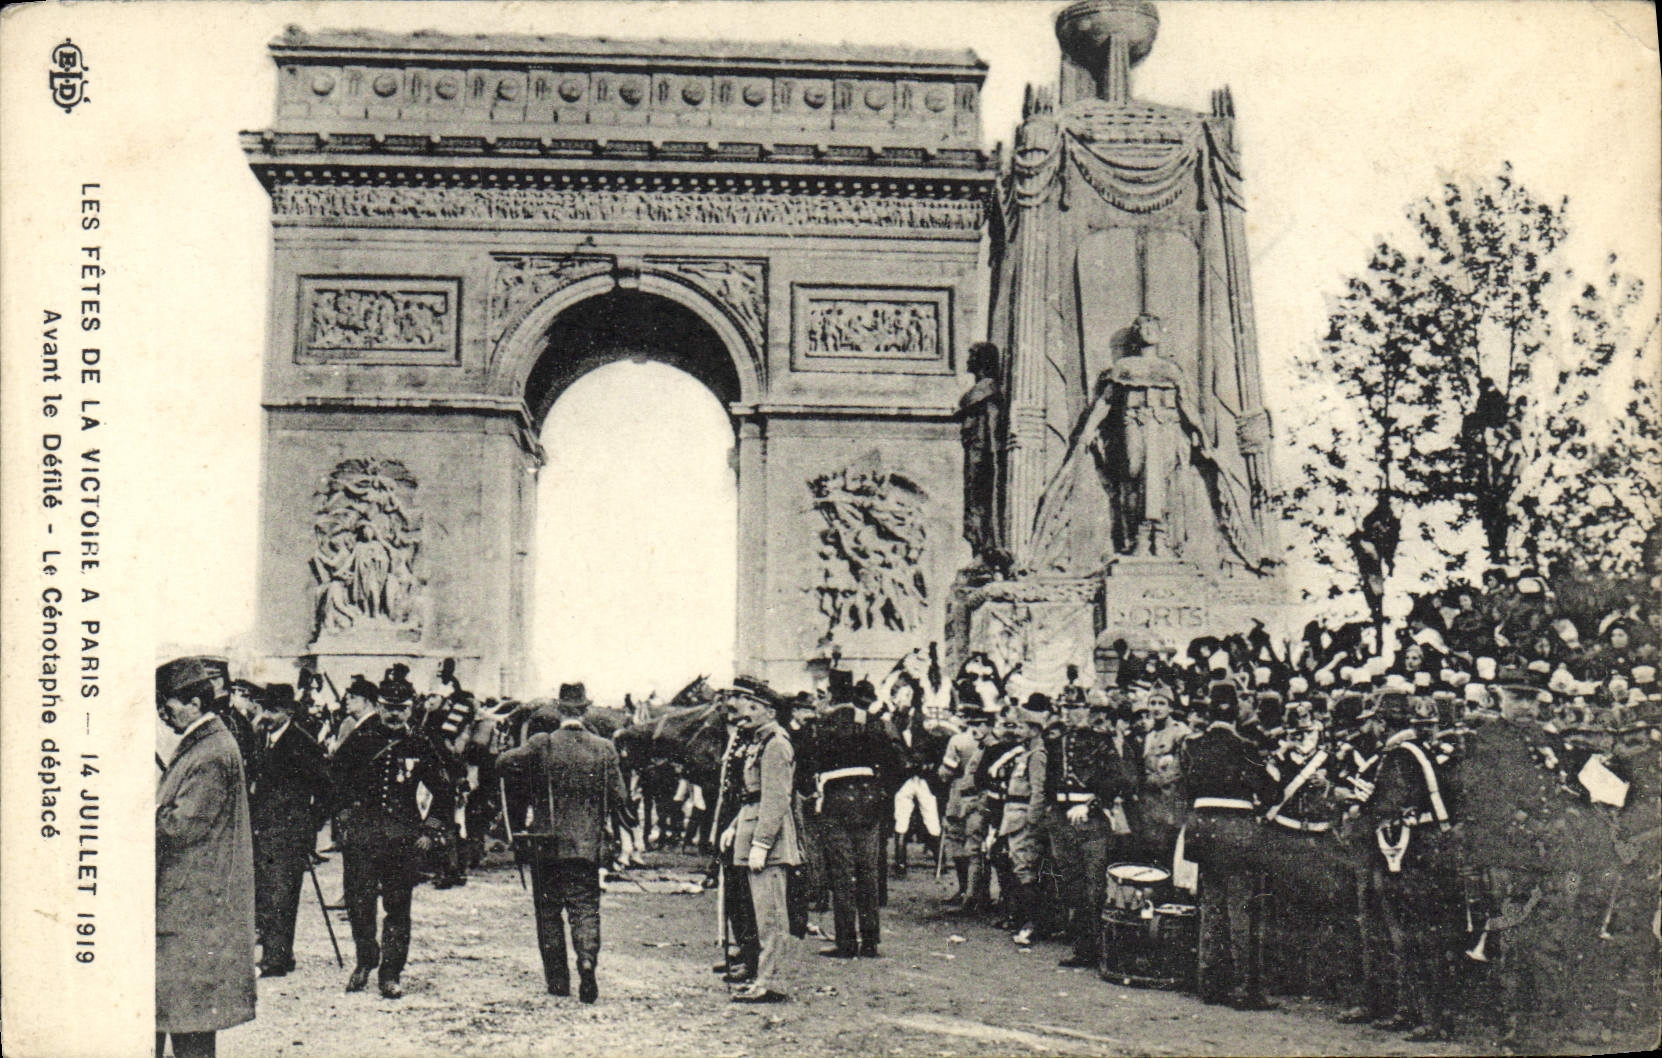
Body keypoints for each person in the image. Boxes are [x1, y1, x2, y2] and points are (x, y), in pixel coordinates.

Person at [497, 682, 632, 1002]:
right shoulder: (604, 748)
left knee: (548, 910)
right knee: (585, 907)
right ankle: (586, 961)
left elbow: (502, 764)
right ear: (586, 710)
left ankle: (558, 981)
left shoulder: (542, 743)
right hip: (586, 846)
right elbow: (620, 797)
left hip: (547, 844)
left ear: (558, 709)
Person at [329, 666, 455, 998]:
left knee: (398, 907)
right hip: (363, 837)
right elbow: (335, 778)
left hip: (402, 838)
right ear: (378, 706)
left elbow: (445, 791)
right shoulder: (361, 738)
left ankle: (390, 973)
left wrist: (430, 828)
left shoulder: (420, 743)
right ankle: (365, 961)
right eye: (387, 707)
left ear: (411, 708)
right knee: (359, 903)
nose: (393, 714)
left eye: (401, 709)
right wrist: (343, 815)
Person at [155, 656, 257, 1058]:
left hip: (193, 906)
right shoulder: (206, 743)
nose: (164, 713)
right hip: (191, 902)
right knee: (183, 1017)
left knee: (190, 1025)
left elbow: (181, 827)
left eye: (170, 704)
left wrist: (138, 812)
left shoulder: (211, 751)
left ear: (196, 703)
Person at [1182, 680, 1279, 1010]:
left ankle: (1210, 984)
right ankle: (1245, 989)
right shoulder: (1246, 747)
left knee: (1211, 906)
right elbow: (1268, 792)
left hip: (1203, 829)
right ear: (1237, 711)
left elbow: (1185, 789)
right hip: (1237, 831)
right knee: (1242, 911)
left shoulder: (1192, 745)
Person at [801, 679, 901, 958]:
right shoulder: (874, 722)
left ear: (832, 695)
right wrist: (882, 793)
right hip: (870, 802)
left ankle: (846, 942)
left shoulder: (825, 723)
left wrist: (812, 791)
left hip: (836, 802)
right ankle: (870, 941)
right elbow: (896, 762)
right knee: (868, 872)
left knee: (842, 874)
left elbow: (807, 762)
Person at [721, 676, 801, 1003]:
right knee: (760, 912)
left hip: (769, 840)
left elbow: (776, 799)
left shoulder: (776, 744)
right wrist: (734, 826)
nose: (745, 713)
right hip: (751, 829)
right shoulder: (760, 741)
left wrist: (762, 843)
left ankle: (769, 982)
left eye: (753, 707)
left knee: (771, 916)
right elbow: (753, 796)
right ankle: (761, 978)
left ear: (769, 711)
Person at [1030, 687, 1120, 968]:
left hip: (1091, 821)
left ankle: (1100, 950)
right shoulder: (1056, 743)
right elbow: (1049, 784)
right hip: (1062, 820)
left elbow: (1117, 780)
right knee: (1072, 886)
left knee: (1095, 887)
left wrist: (1091, 806)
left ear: (1089, 711)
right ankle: (1083, 949)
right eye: (1066, 708)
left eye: (1077, 707)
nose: (1070, 713)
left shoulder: (1102, 742)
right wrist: (1051, 814)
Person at [249, 682, 332, 978]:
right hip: (265, 830)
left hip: (290, 833)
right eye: (264, 709)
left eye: (273, 711)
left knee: (283, 895)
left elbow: (326, 789)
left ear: (288, 711)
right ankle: (280, 953)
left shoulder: (302, 743)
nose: (267, 716)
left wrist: (309, 825)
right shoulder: (264, 738)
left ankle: (276, 959)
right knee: (268, 892)